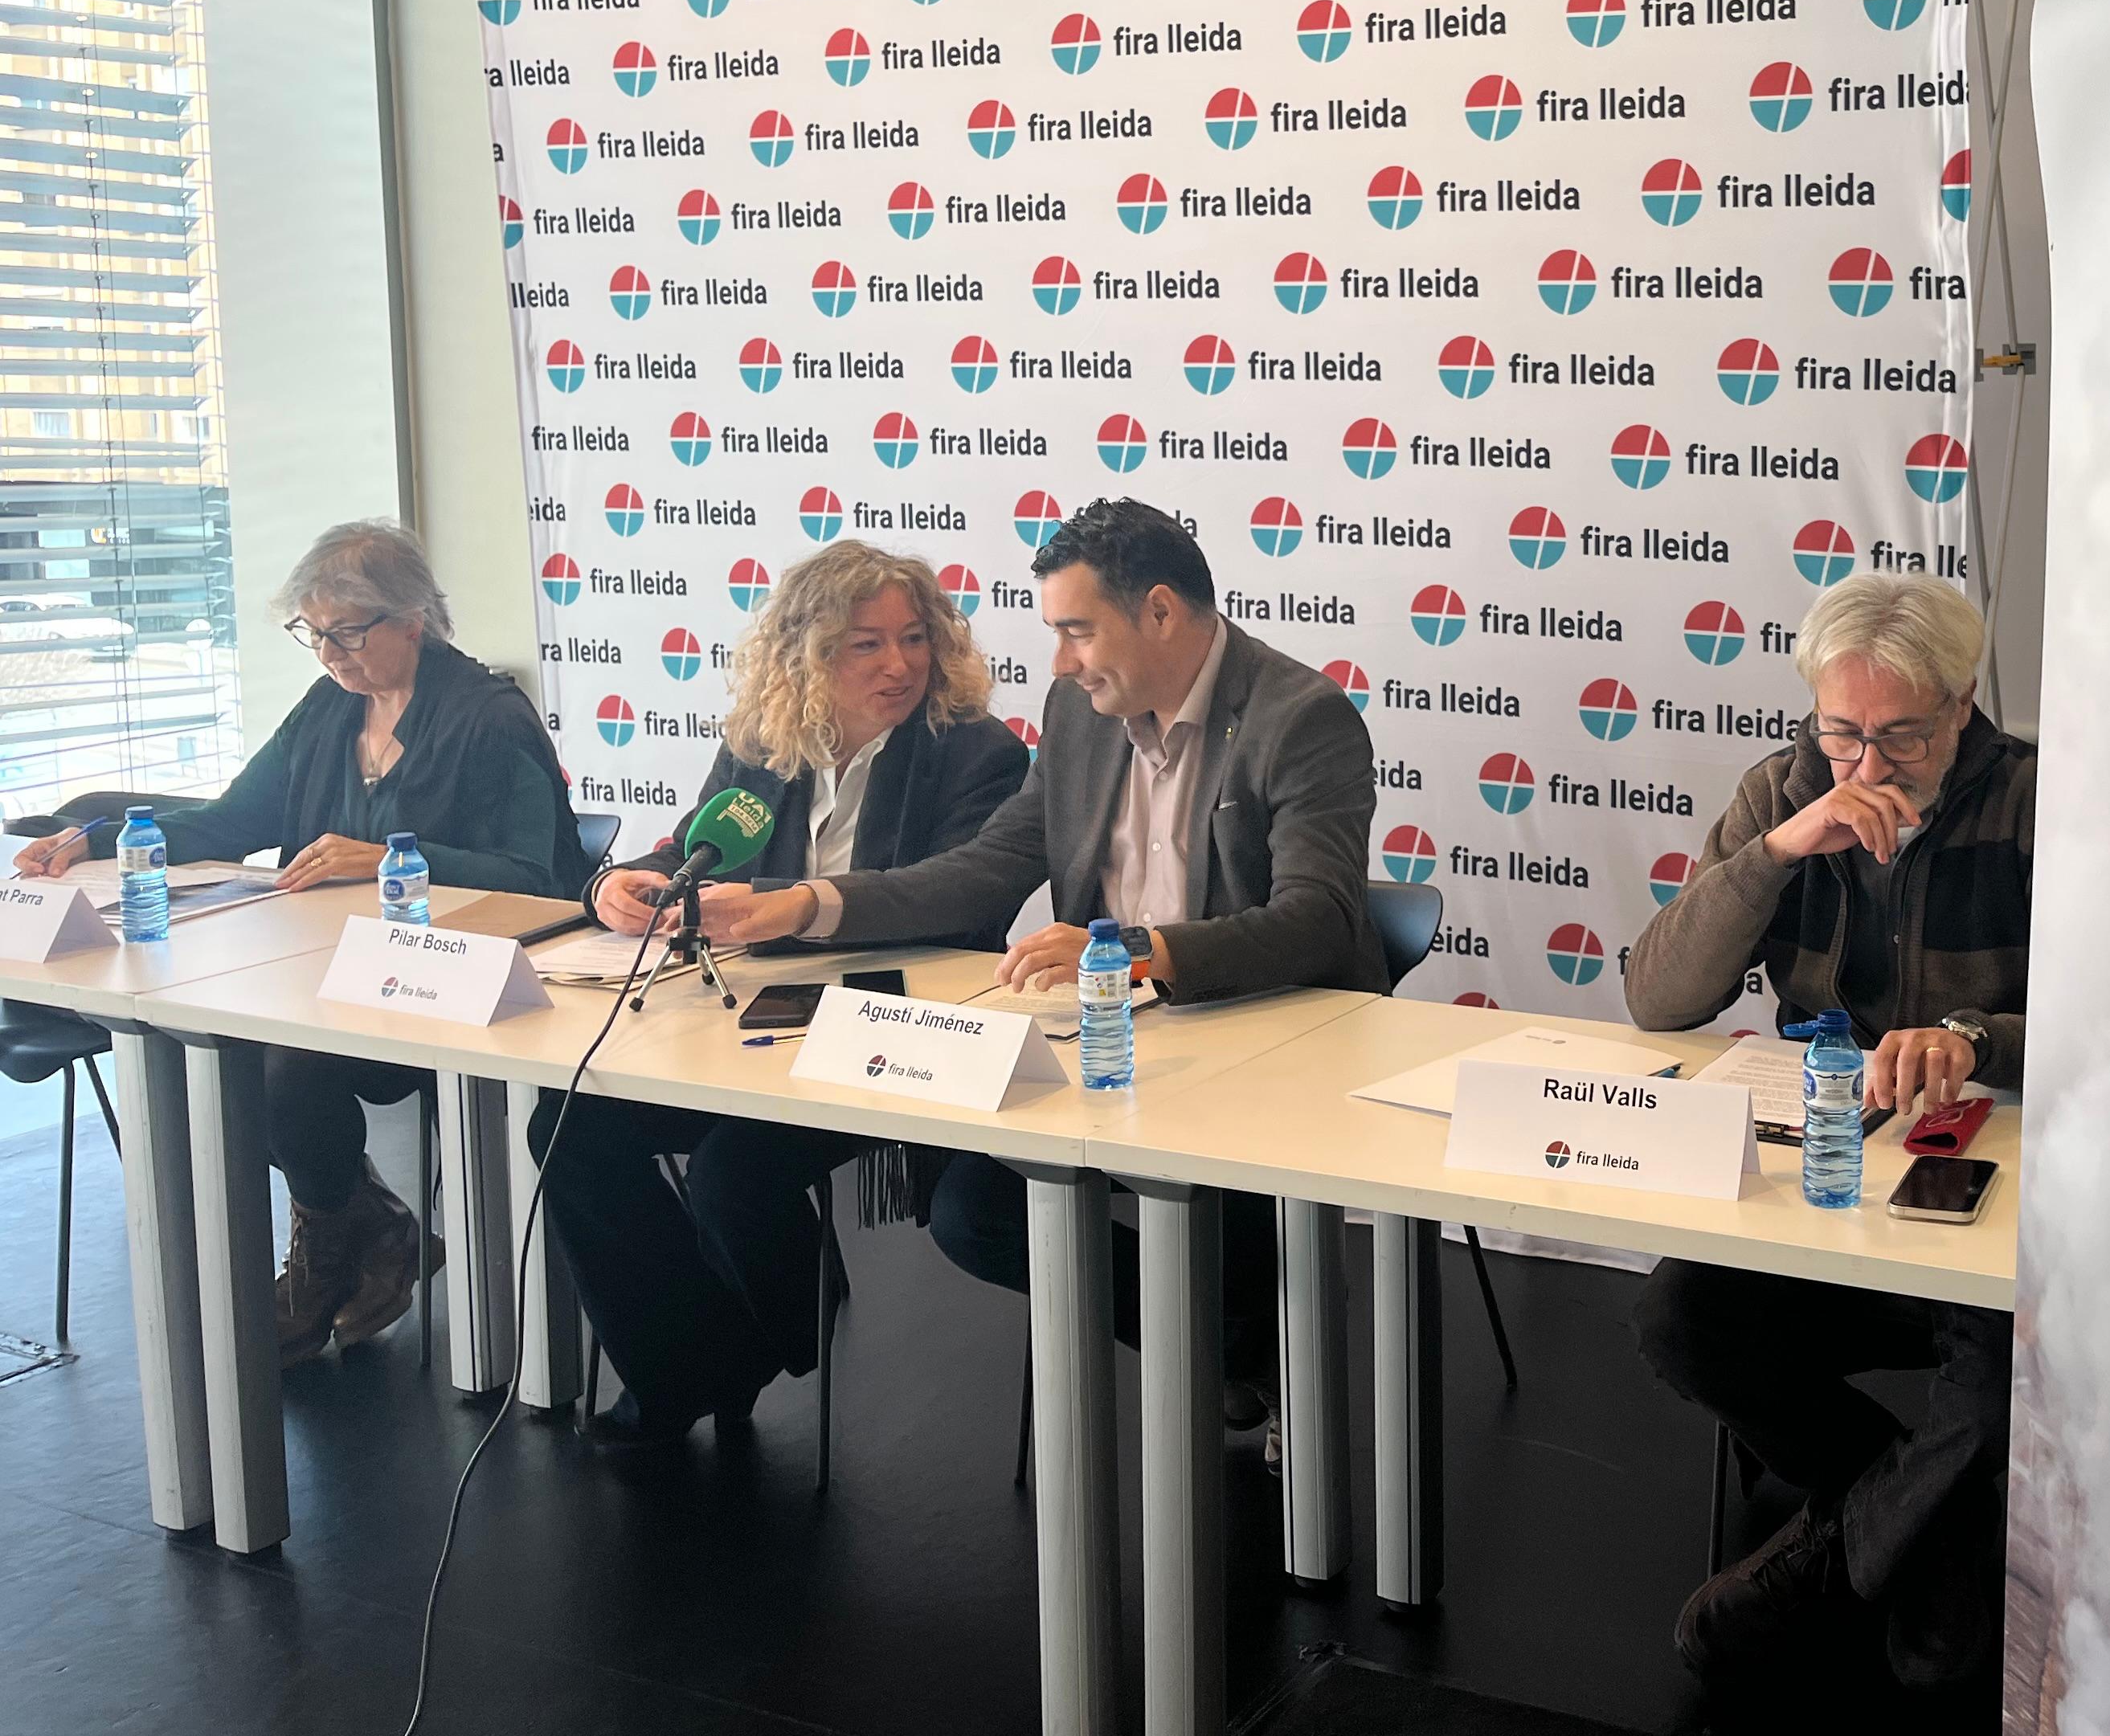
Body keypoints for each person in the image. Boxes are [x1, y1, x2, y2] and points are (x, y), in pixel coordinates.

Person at [693, 496, 1383, 1419]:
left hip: (1269, 1043)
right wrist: (813, 902)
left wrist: (1134, 951)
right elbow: (985, 868)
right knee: (971, 1212)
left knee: (1233, 1221)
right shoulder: (1080, 712)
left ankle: (1257, 1352)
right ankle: (1234, 1345)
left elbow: (1319, 919)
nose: (1059, 662)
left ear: (1161, 612)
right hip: (1117, 1041)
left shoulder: (1299, 717)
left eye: (1076, 632)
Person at [16, 520, 587, 1366]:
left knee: (276, 1066)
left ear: (411, 620)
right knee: (216, 1048)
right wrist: (94, 840)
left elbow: (540, 879)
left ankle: (342, 1234)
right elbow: (231, 821)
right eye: (312, 633)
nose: (328, 654)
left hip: (455, 983)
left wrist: (393, 857)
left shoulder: (488, 717)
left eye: (347, 634)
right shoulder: (329, 708)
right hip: (325, 969)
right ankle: (359, 1222)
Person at [1621, 573, 2033, 1693]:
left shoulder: (2034, 800)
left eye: (1903, 736)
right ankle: (1914, 1529)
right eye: (1843, 731)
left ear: (1962, 704)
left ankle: (1835, 1558)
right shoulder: (1784, 789)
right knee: (1679, 1318)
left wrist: (1975, 1038)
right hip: (1829, 1182)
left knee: (1998, 1378)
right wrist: (1776, 853)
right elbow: (1657, 998)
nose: (1868, 767)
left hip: (1983, 1189)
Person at [530, 541, 1028, 1445]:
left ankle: (766, 1335)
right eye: (866, 645)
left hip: (890, 1032)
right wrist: (615, 886)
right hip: (750, 1026)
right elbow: (688, 852)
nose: (900, 664)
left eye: (915, 638)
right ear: (807, 655)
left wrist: (791, 906)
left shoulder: (975, 752)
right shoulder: (763, 744)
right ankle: (683, 1365)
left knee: (733, 1172)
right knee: (569, 1128)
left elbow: (958, 901)